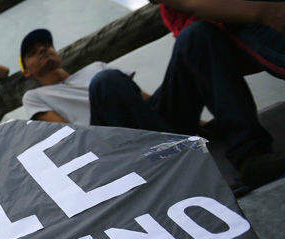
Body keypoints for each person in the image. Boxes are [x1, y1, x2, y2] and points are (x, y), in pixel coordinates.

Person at [20, 25, 285, 190]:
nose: (43, 49)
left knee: (195, 35)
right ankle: (186, 165)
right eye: (33, 51)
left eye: (47, 44)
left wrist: (203, 127)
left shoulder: (95, 67)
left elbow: (145, 101)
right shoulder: (35, 97)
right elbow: (69, 137)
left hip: (153, 125)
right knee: (107, 81)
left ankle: (251, 156)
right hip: (113, 145)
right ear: (27, 72)